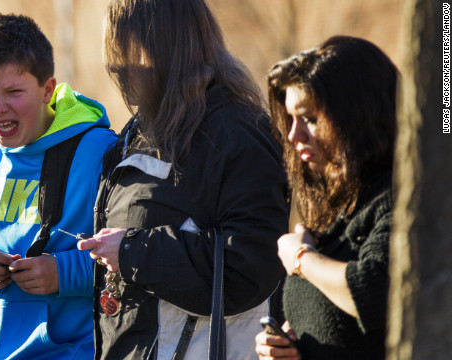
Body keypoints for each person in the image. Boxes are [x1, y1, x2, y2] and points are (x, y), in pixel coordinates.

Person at [74, 0, 289, 359]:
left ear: (168, 47)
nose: (118, 67)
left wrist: (132, 250)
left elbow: (249, 268)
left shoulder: (238, 134)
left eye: (131, 50)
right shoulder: (142, 128)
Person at [0, 14, 116, 360]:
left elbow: (137, 252)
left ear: (48, 90)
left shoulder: (100, 151)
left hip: (87, 351)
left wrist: (64, 273)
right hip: (7, 350)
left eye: (13, 92)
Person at [254, 36, 398, 360]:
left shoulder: (398, 197)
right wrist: (288, 349)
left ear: (358, 116)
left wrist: (302, 259)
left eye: (309, 119)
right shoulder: (339, 208)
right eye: (290, 119)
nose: (293, 135)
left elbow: (371, 290)